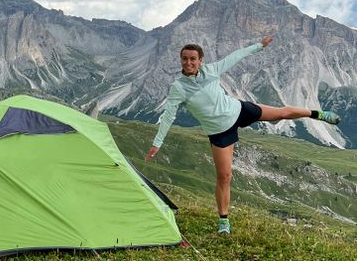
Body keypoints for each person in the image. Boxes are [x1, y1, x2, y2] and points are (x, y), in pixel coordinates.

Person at [145, 37, 340, 234]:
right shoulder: (178, 88)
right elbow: (168, 115)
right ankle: (223, 222)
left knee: (282, 112)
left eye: (193, 59)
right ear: (181, 60)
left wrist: (259, 46)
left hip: (239, 110)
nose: (188, 63)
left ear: (200, 60)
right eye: (185, 59)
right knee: (224, 176)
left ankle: (318, 114)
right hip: (220, 132)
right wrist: (157, 143)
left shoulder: (211, 70)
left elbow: (235, 56)